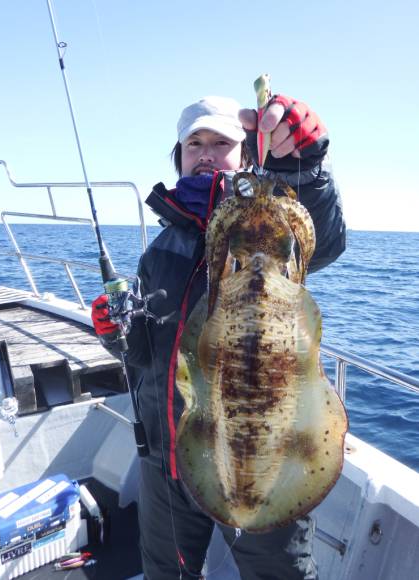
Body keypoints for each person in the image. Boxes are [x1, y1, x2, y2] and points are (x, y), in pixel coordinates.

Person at [92, 91, 346, 580]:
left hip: (262, 446)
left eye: (221, 142)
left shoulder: (268, 232)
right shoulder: (160, 250)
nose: (205, 152)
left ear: (248, 153)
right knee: (167, 571)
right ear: (180, 156)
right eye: (194, 143)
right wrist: (116, 335)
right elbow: (147, 355)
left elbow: (324, 238)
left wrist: (306, 165)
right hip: (168, 456)